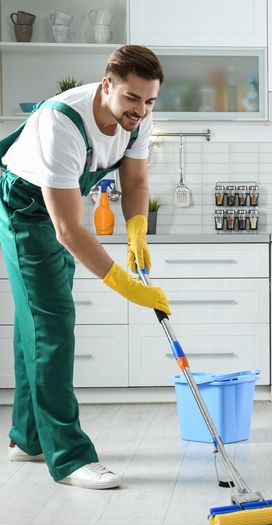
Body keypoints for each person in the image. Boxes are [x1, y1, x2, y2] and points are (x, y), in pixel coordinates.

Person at [0, 45, 171, 489]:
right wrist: (125, 285)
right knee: (53, 323)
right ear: (107, 83)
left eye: (150, 101)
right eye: (132, 98)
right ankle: (70, 456)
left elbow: (135, 180)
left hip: (59, 210)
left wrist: (137, 230)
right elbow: (68, 229)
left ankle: (28, 436)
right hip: (26, 208)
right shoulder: (62, 123)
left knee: (34, 322)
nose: (141, 109)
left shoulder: (138, 116)